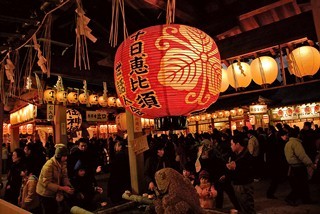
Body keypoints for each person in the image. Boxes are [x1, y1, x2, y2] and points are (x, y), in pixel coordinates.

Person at [36, 144, 74, 214]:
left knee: (56, 209)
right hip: (45, 193)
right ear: (59, 156)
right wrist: (62, 188)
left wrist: (68, 186)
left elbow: (65, 176)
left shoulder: (63, 163)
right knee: (49, 210)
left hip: (54, 191)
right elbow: (46, 183)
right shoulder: (49, 165)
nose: (66, 158)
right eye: (64, 156)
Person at [284, 128, 317, 206]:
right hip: (298, 166)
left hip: (292, 166)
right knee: (302, 184)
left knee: (299, 184)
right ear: (297, 135)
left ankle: (305, 199)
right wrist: (310, 164)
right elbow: (302, 155)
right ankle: (292, 198)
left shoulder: (288, 143)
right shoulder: (296, 143)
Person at [227, 134, 255, 214]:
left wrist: (234, 167)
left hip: (243, 185)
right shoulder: (238, 154)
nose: (230, 146)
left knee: (248, 208)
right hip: (239, 184)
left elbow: (247, 170)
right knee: (244, 207)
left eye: (232, 144)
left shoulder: (245, 155)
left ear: (238, 144)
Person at [107, 140, 131, 204]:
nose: (115, 147)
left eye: (116, 146)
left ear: (120, 146)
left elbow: (113, 166)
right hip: (123, 175)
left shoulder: (119, 155)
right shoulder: (126, 153)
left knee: (116, 193)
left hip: (118, 176)